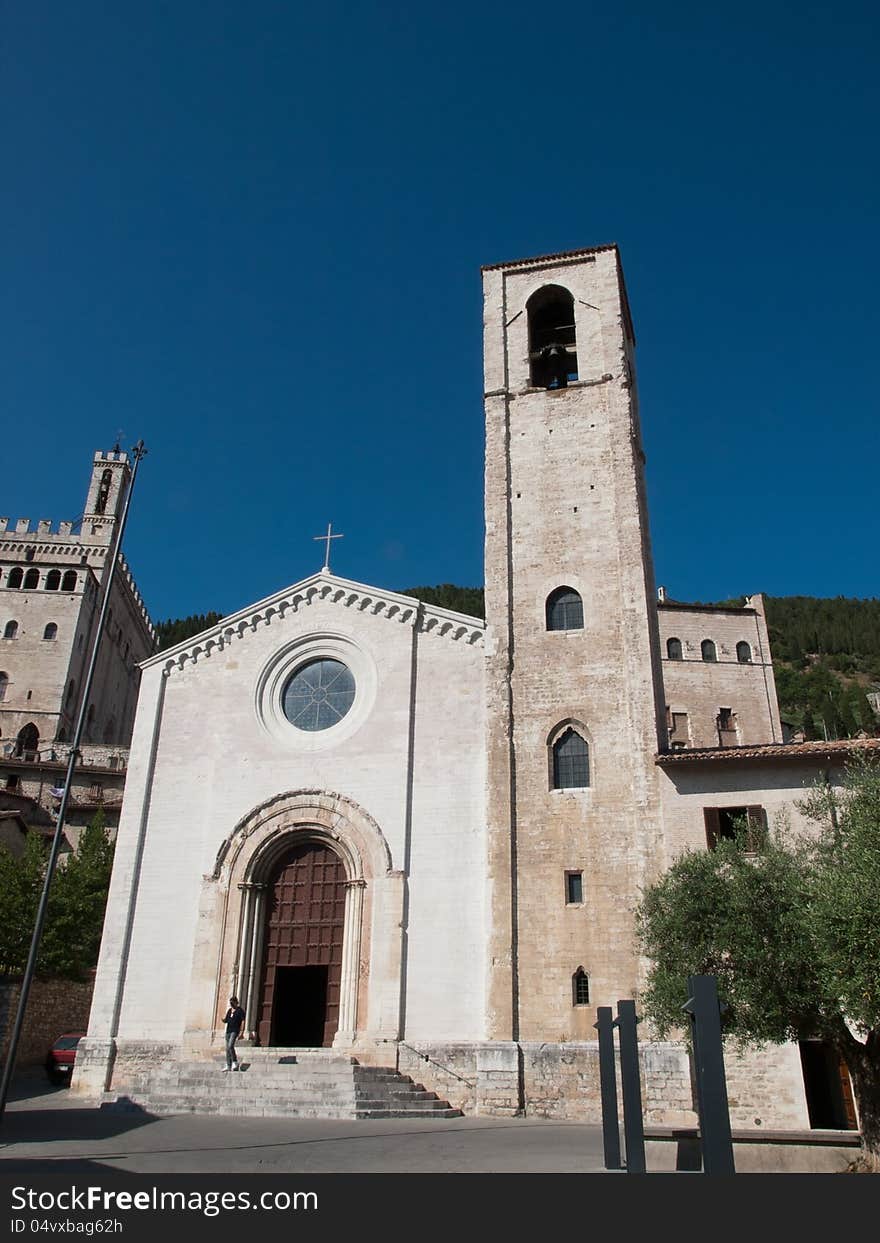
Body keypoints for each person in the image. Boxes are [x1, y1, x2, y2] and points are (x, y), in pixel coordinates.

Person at [223, 996, 245, 1072]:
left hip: (235, 1031)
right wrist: (223, 1020)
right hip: (228, 1031)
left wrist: (242, 1032)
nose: (231, 1004)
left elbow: (243, 1020)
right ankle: (228, 1065)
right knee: (227, 1049)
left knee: (230, 1045)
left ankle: (235, 1062)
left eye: (232, 1002)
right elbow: (226, 1020)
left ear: (236, 1002)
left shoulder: (240, 1010)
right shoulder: (229, 1010)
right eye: (230, 1002)